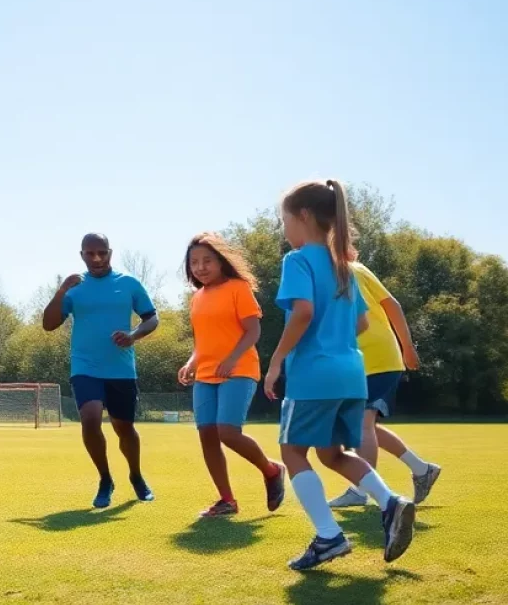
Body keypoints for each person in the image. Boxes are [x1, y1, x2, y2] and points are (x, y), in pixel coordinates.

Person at [264, 179, 415, 571]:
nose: (284, 230)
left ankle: (329, 537)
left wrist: (277, 360)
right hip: (352, 373)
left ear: (303, 215)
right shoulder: (343, 266)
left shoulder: (296, 261)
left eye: (284, 220)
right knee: (333, 453)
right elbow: (362, 322)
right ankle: (391, 502)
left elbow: (302, 313)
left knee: (292, 451)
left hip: (314, 374)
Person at [42, 233, 159, 508]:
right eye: (90, 253)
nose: (97, 258)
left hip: (121, 369)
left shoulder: (128, 283)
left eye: (102, 253)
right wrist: (60, 292)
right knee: (90, 419)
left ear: (110, 252)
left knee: (124, 428)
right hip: (85, 366)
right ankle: (105, 479)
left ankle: (136, 476)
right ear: (81, 255)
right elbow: (48, 324)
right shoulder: (74, 289)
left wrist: (133, 335)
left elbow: (151, 318)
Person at [179, 233, 286, 517]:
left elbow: (253, 331)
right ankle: (227, 500)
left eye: (207, 261)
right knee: (207, 434)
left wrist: (231, 360)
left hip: (238, 369)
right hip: (205, 374)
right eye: (194, 263)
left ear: (221, 261)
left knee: (227, 431)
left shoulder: (238, 288)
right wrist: (191, 362)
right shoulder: (197, 298)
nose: (200, 267)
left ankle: (272, 471)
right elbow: (202, 341)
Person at [327, 260, 441, 507]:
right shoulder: (324, 276)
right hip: (356, 363)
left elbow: (392, 304)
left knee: (361, 424)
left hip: (379, 359)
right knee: (363, 426)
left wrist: (408, 347)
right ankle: (422, 469)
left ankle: (361, 490)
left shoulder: (353, 270)